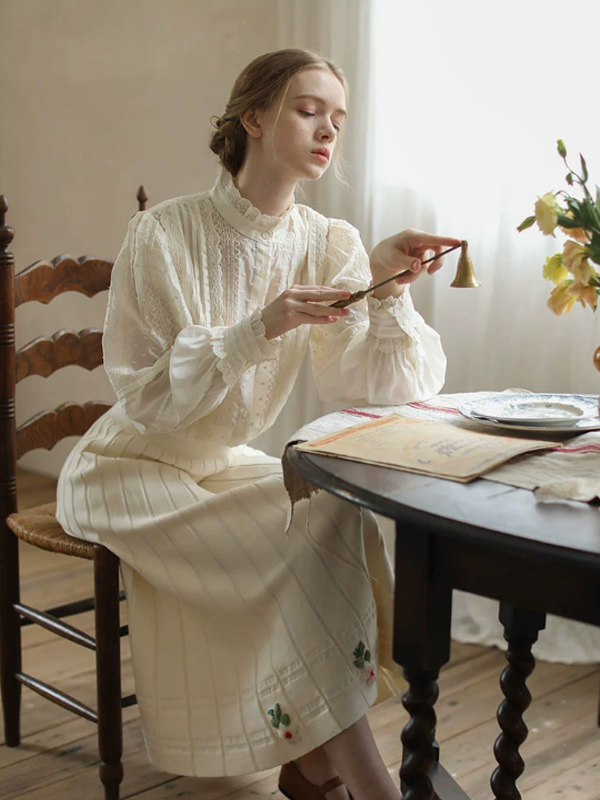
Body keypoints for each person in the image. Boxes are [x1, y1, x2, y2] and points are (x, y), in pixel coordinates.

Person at [57, 48, 459, 800]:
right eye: (309, 110)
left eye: (338, 118)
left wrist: (382, 289)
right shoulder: (162, 234)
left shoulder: (327, 240)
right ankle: (362, 782)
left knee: (336, 514)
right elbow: (144, 395)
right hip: (129, 468)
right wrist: (259, 326)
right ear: (254, 117)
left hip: (221, 459)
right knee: (294, 549)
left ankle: (313, 766)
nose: (328, 130)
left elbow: (363, 385)